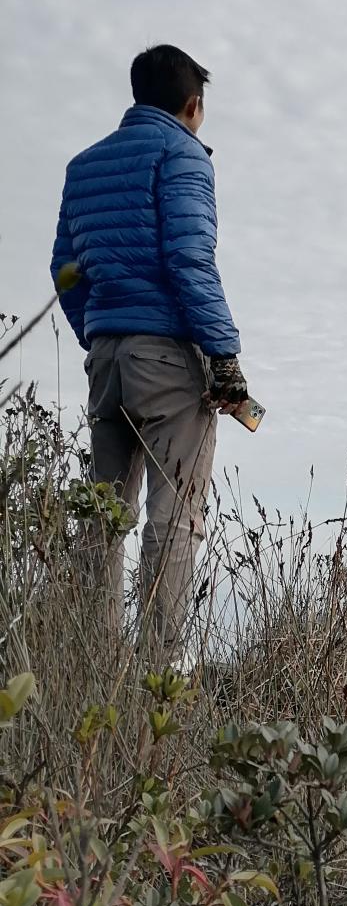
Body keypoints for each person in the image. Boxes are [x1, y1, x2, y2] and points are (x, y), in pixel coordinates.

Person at [50, 44, 247, 663]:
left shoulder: (84, 166)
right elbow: (191, 260)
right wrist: (224, 357)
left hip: (106, 360)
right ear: (194, 105)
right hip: (167, 361)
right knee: (174, 516)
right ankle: (154, 673)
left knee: (104, 516)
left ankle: (90, 665)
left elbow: (64, 268)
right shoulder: (182, 156)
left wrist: (99, 334)